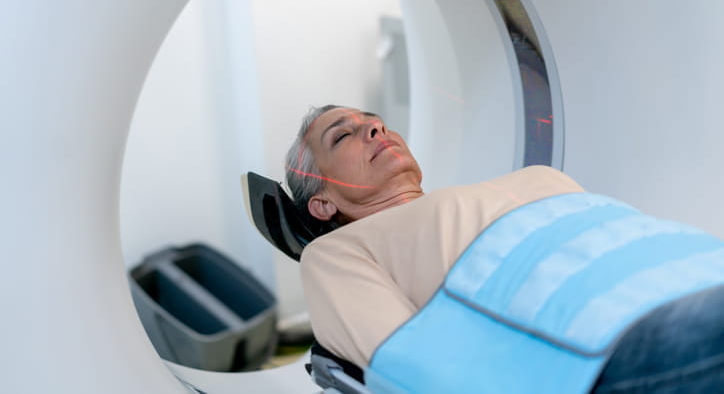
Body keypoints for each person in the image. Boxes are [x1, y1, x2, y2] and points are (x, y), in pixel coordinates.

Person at [287, 105, 724, 392]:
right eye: (342, 136)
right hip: (609, 337)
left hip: (693, 268)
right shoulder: (337, 251)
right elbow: (411, 367)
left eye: (373, 120)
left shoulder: (535, 176)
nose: (374, 127)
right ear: (322, 203)